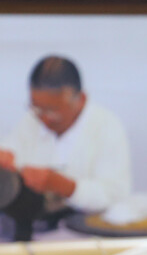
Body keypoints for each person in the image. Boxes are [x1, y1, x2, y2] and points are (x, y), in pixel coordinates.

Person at [0, 55, 133, 216]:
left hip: (87, 226)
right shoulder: (32, 120)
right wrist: (5, 159)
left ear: (81, 99)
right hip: (31, 223)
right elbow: (11, 150)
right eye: (37, 108)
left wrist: (68, 188)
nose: (44, 119)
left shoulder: (107, 127)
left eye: (52, 111)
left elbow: (115, 196)